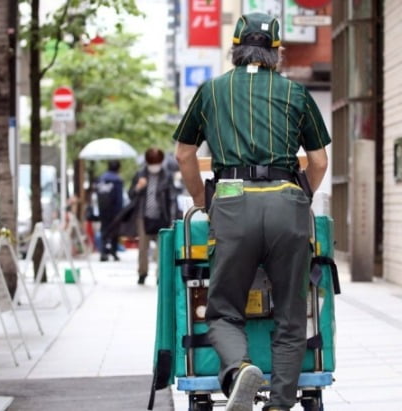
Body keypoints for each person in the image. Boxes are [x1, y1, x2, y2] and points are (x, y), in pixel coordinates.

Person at [173, 12, 330, 411]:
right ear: (276, 51)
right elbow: (319, 160)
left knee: (223, 310)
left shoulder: (211, 91)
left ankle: (239, 369)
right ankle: (279, 404)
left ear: (236, 48)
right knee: (292, 317)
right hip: (285, 201)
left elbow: (184, 153)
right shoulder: (295, 93)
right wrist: (299, 200)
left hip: (231, 200)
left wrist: (200, 200)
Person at [128, 148, 177, 285]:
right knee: (143, 247)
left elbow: (172, 198)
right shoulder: (140, 174)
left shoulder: (166, 176)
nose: (154, 165)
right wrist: (138, 187)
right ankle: (142, 273)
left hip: (162, 216)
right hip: (143, 216)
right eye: (152, 162)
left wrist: (172, 218)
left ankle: (159, 275)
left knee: (161, 248)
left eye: (156, 162)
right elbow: (130, 195)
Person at [96, 160, 124, 262]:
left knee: (104, 230)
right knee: (114, 231)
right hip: (115, 210)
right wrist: (121, 211)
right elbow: (119, 197)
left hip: (103, 209)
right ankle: (113, 251)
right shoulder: (117, 180)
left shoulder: (101, 179)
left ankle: (103, 252)